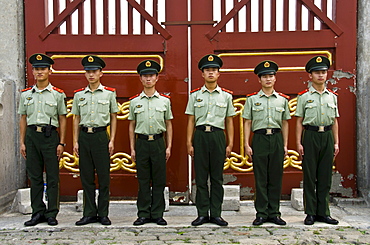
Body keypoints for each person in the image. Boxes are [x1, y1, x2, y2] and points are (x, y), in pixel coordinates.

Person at [186, 54, 235, 226]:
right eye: (208, 70)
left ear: (219, 73)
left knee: (216, 178)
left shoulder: (226, 96)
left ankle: (216, 213)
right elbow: (191, 120)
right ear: (202, 74)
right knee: (200, 178)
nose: (211, 73)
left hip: (217, 136)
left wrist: (230, 143)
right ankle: (201, 213)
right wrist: (189, 142)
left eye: (214, 70)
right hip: (200, 136)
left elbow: (229, 120)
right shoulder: (195, 96)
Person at [19, 53, 67, 226]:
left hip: (50, 137)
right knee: (35, 176)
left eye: (43, 69)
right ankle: (37, 211)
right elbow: (23, 118)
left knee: (53, 176)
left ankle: (52, 212)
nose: (40, 72)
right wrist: (22, 142)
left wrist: (61, 142)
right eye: (37, 69)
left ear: (49, 71)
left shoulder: (57, 95)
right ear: (33, 72)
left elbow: (62, 118)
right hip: (32, 137)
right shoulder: (26, 95)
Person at [242, 61, 290, 226]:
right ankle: (261, 213)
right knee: (261, 177)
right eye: (264, 76)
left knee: (276, 177)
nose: (268, 79)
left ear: (275, 78)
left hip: (276, 138)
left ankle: (275, 213)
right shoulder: (252, 100)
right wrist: (246, 144)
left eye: (271, 76)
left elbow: (285, 123)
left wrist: (285, 145)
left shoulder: (282, 100)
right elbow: (247, 122)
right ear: (259, 79)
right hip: (260, 138)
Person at [72, 55, 118, 226]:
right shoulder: (79, 95)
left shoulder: (109, 93)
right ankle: (89, 213)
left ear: (101, 73)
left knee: (104, 176)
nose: (91, 75)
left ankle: (103, 213)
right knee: (86, 176)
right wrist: (75, 140)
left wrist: (111, 139)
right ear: (85, 74)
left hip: (100, 136)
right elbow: (75, 118)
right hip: (85, 136)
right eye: (88, 72)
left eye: (94, 71)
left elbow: (114, 117)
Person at [295, 56, 339, 225]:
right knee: (310, 175)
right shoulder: (304, 97)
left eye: (323, 72)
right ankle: (310, 212)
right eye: (317, 73)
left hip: (327, 135)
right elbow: (299, 120)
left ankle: (324, 212)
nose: (320, 75)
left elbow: (335, 121)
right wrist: (298, 142)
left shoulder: (332, 97)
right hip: (311, 135)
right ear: (310, 76)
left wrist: (336, 142)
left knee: (325, 175)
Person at [128, 60, 173, 226]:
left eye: (151, 75)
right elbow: (131, 125)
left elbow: (168, 124)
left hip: (158, 142)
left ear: (156, 78)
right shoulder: (134, 102)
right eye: (145, 76)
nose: (148, 79)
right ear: (140, 78)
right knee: (143, 179)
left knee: (159, 180)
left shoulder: (164, 101)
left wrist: (168, 146)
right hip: (142, 142)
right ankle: (143, 213)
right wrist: (132, 148)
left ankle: (158, 213)